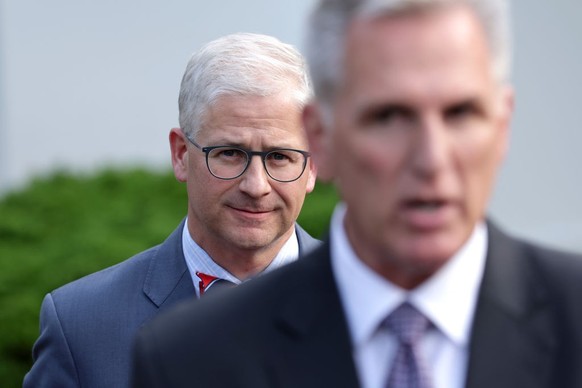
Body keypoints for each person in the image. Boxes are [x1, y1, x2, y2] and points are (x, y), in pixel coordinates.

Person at [131, 1, 582, 387]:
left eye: (460, 113)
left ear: (502, 126)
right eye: (388, 116)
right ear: (321, 138)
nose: (432, 158)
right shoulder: (190, 359)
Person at [23, 32, 319, 388]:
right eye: (229, 153)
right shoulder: (80, 326)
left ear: (313, 165)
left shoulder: (384, 307)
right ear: (181, 154)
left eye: (279, 157)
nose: (256, 186)